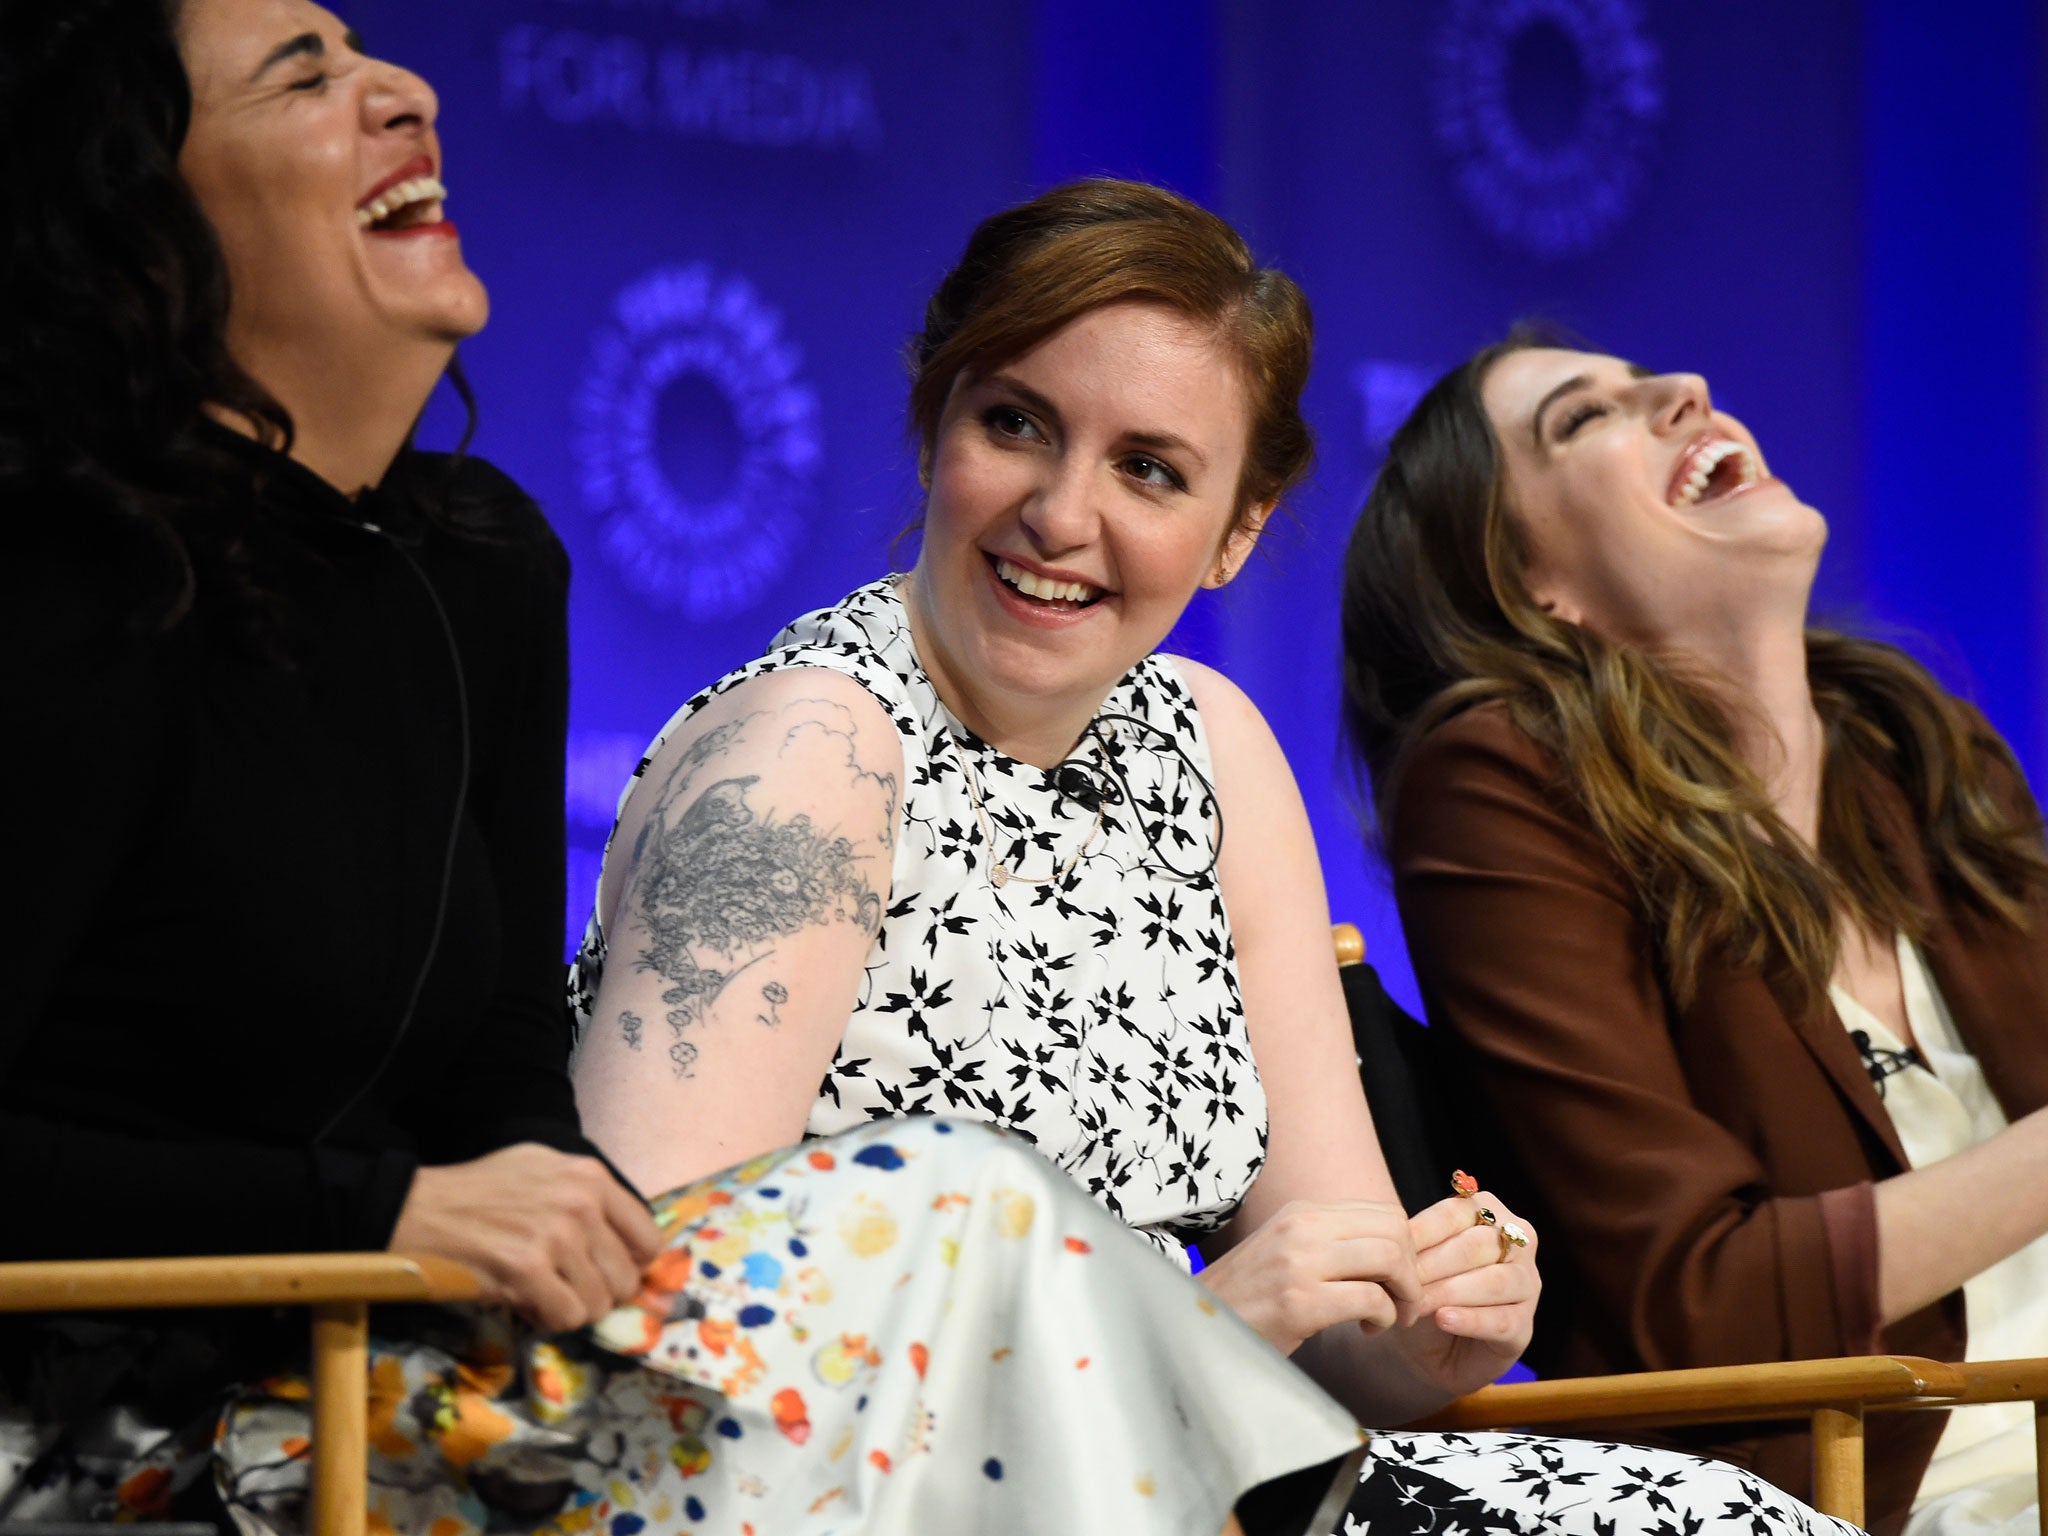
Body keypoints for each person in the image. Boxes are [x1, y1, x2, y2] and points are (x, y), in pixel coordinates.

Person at [567, 184, 1862, 1536]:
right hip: (859, 1497)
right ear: (935, 429)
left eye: (1150, 469)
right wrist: (1186, 1330)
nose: (1062, 516)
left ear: (1238, 530)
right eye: (1015, 425)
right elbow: (646, 1343)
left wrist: (1435, 1326)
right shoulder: (808, 755)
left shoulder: (1212, 744)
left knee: (1725, 1518)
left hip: (1177, 1483)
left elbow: (1341, 1330)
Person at [0, 0, 661, 1522]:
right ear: (145, 226)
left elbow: (499, 1057)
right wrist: (389, 1215)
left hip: (365, 1375)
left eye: (367, 50)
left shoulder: (487, 560)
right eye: (304, 73)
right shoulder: (75, 582)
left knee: (929, 1262)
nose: (406, 92)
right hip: (90, 1435)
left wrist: (576, 1262)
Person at [1340, 329, 2048, 1536]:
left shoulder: (1914, 746)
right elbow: (1684, 1296)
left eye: (1650, 380)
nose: (1686, 391)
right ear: (1526, 584)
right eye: (1584, 417)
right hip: (1876, 1496)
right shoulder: (1498, 784)